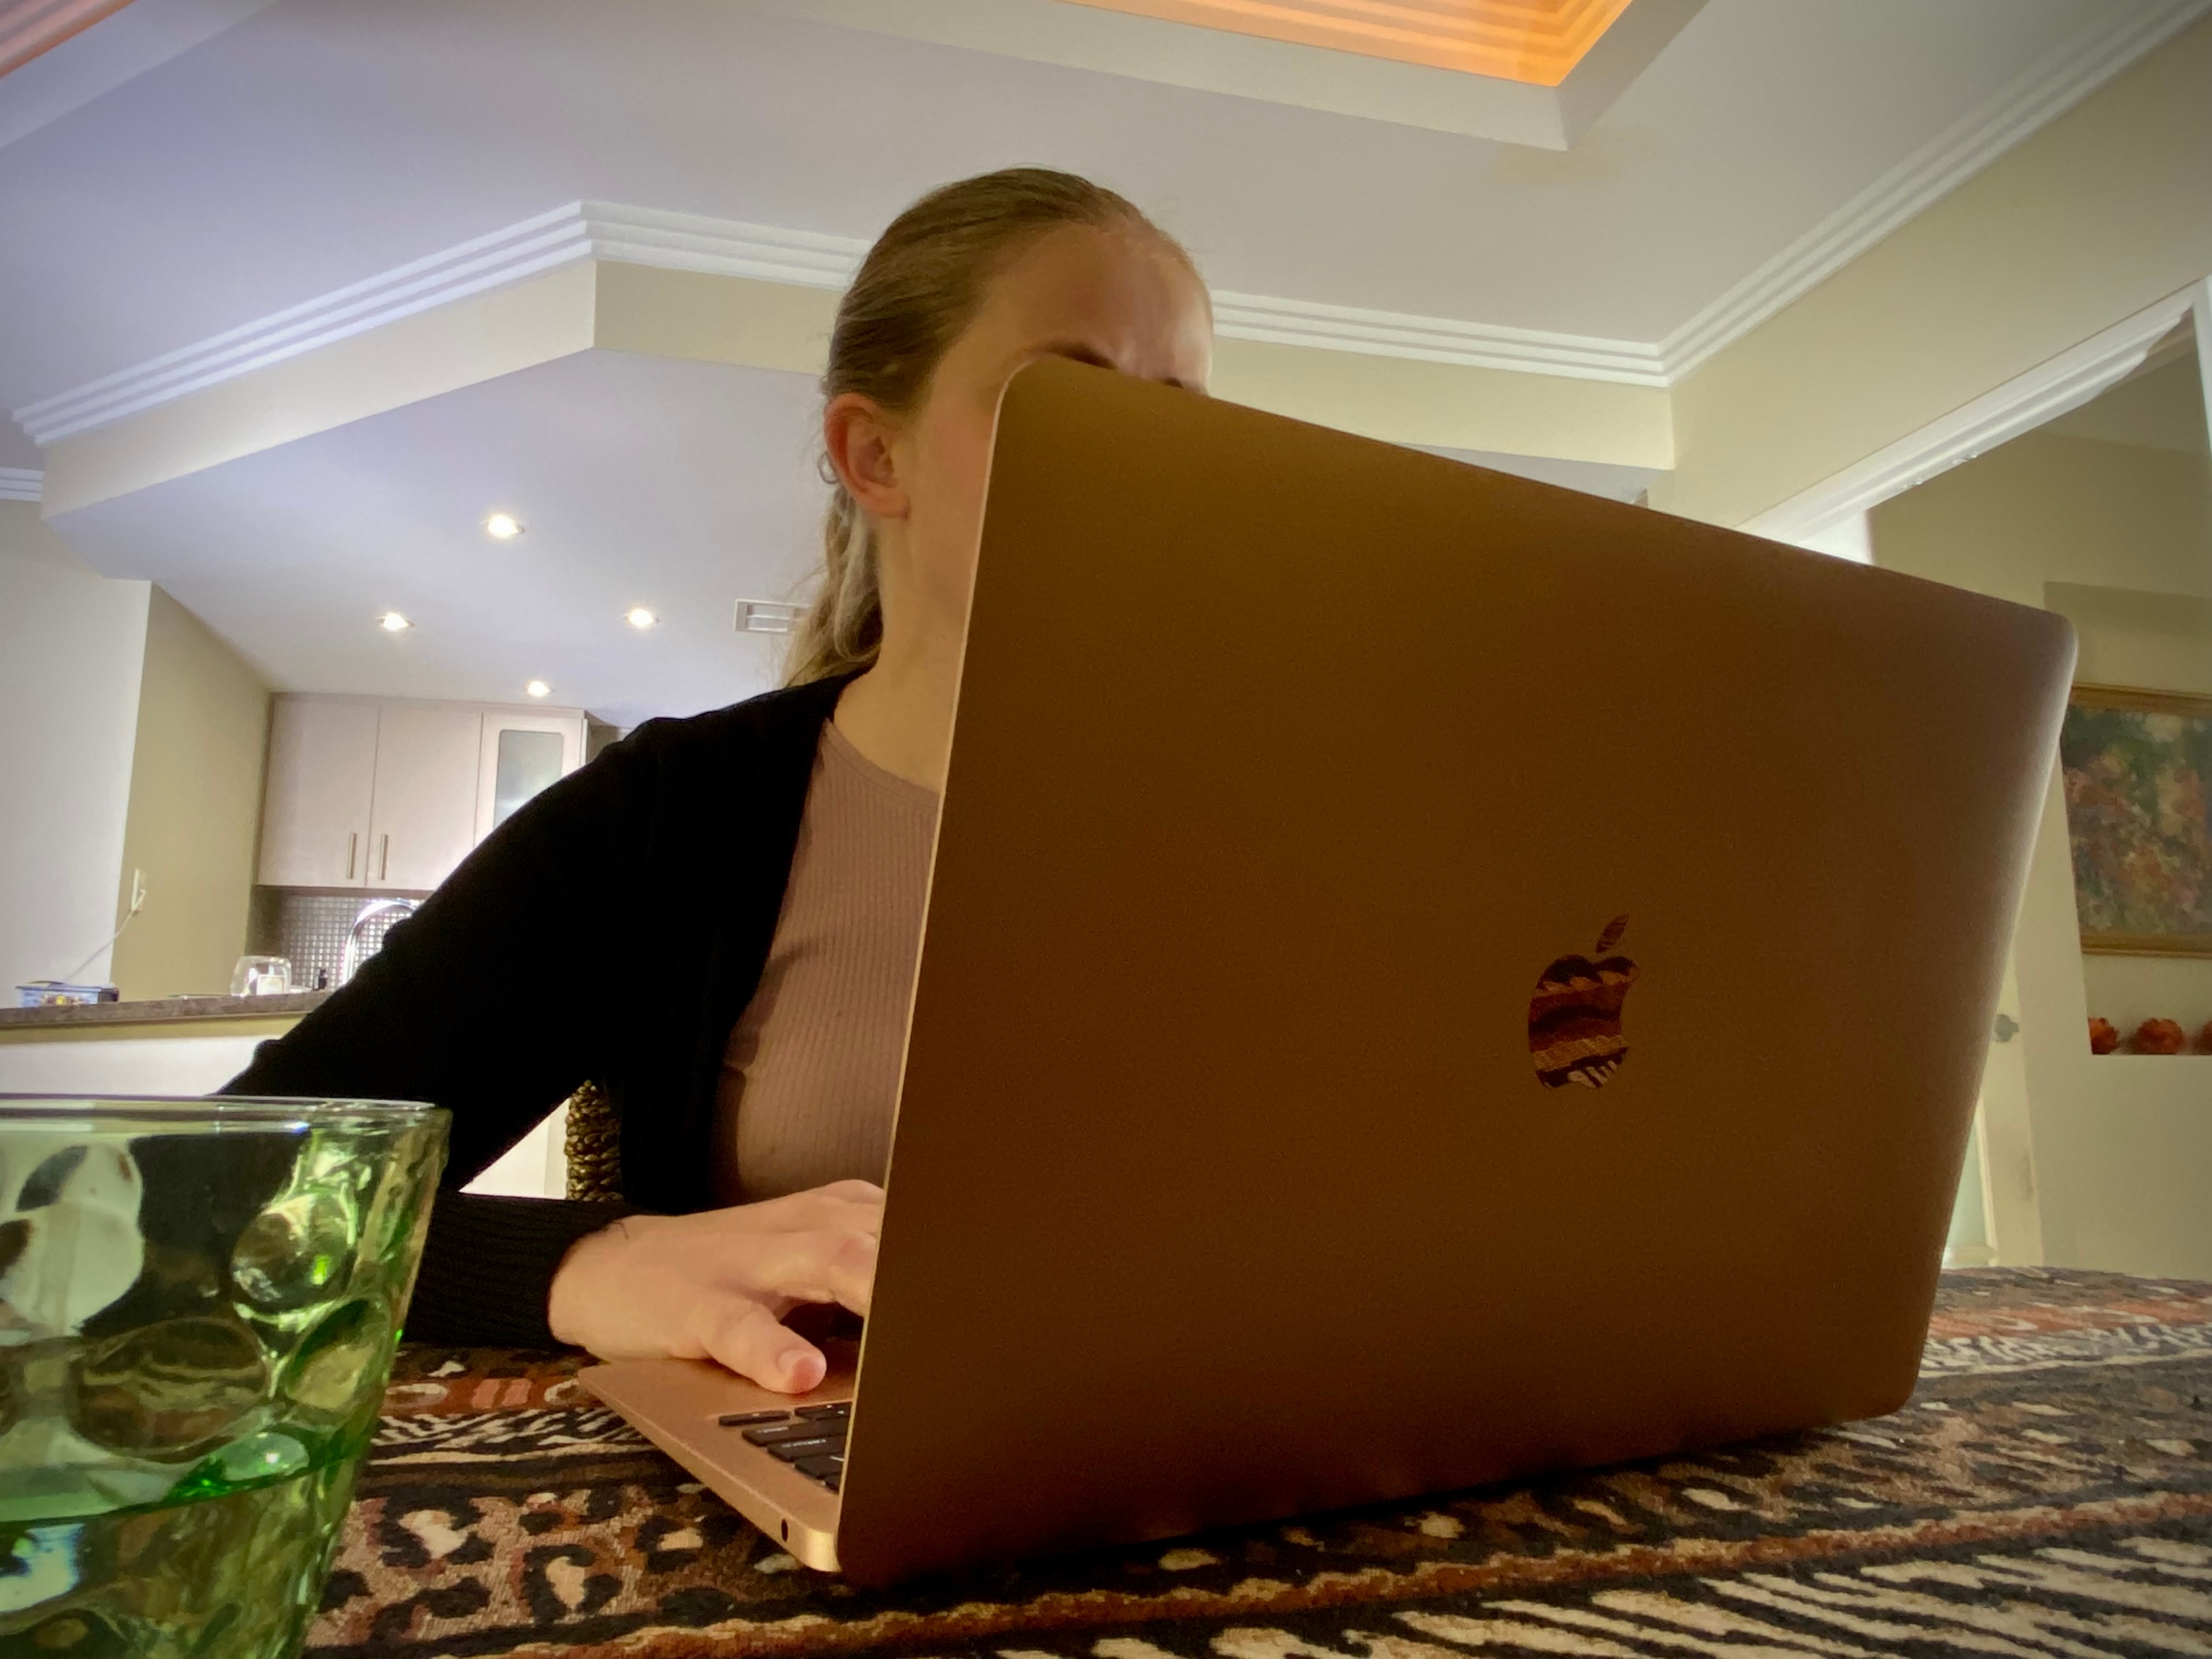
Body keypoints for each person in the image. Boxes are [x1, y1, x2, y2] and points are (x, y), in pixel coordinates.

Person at [224, 168, 1215, 1393]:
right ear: (875, 454)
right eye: (1063, 395)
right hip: (807, 1530)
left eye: (1179, 415)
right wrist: (596, 1263)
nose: (1139, 458)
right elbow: (228, 1196)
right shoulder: (670, 819)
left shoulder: (1281, 813)